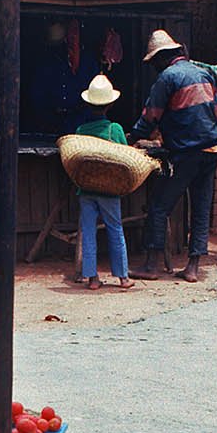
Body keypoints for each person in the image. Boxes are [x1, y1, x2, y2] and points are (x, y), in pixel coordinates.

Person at [130, 29, 217, 282]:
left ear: (162, 58)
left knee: (159, 206)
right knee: (201, 207)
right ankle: (193, 267)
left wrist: (131, 139)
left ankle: (151, 266)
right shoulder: (202, 73)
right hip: (212, 150)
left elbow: (150, 117)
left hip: (186, 154)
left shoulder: (167, 78)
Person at [72, 74, 132, 290]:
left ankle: (92, 279)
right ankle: (123, 277)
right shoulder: (114, 129)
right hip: (109, 190)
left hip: (86, 188)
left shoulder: (80, 131)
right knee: (115, 229)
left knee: (88, 231)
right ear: (110, 104)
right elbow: (125, 155)